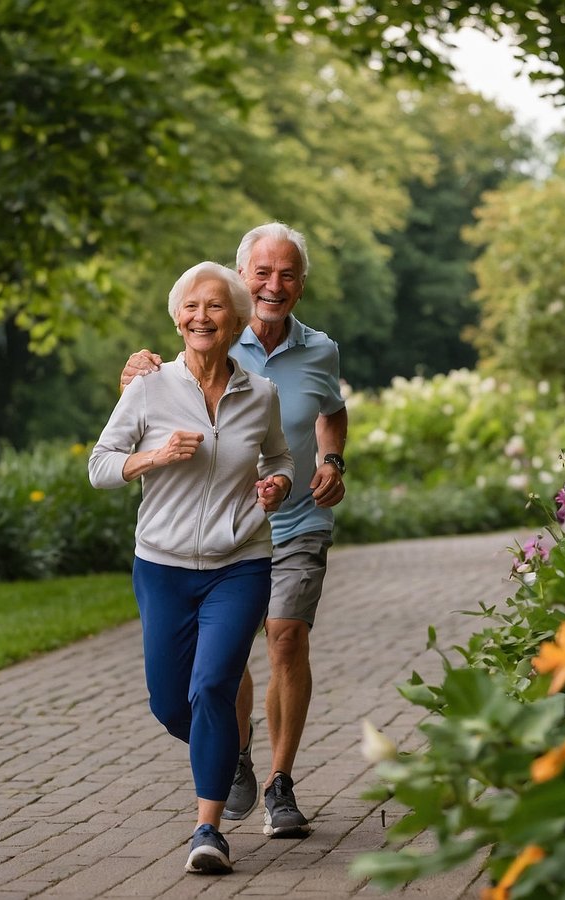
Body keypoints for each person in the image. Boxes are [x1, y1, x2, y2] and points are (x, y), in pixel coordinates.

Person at [120, 222, 347, 840]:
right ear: (243, 279)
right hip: (213, 536)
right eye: (262, 273)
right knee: (224, 661)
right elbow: (151, 402)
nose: (275, 285)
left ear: (301, 284)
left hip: (293, 519)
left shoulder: (320, 351)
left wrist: (329, 462)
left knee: (285, 637)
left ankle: (279, 783)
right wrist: (139, 378)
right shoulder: (213, 333)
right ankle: (234, 751)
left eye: (288, 273)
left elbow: (331, 411)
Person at [90, 261, 294, 875]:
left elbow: (279, 455)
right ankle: (228, 753)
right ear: (177, 319)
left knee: (211, 688)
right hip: (162, 567)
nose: (201, 317)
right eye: (190, 307)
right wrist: (152, 457)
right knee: (170, 704)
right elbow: (100, 465)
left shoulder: (260, 393)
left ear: (236, 322)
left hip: (241, 563)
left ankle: (207, 832)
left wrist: (278, 482)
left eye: (214, 307)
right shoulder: (149, 388)